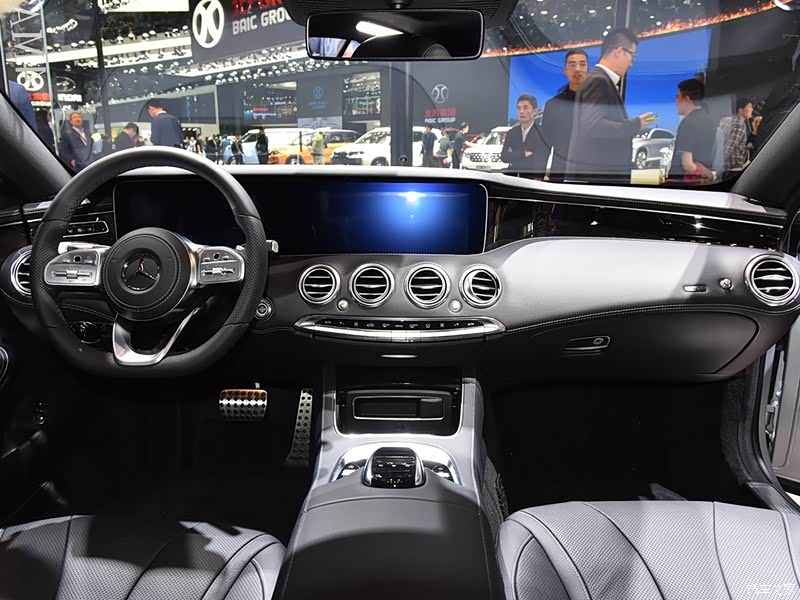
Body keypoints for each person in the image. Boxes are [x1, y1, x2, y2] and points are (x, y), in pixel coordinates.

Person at [566, 28, 653, 182]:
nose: (631, 63)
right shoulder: (599, 81)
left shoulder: (600, 80)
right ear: (619, 51)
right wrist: (635, 125)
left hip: (596, 179)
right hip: (596, 181)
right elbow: (594, 126)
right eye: (632, 55)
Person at [539, 49, 589, 181]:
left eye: (582, 64)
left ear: (588, 69)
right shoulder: (553, 104)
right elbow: (545, 145)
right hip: (560, 174)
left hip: (592, 177)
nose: (577, 69)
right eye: (572, 65)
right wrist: (538, 177)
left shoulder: (600, 103)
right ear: (565, 70)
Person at [669, 78, 716, 184]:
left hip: (682, 184)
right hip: (701, 185)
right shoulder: (709, 121)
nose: (675, 102)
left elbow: (687, 164)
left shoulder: (688, 123)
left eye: (677, 97)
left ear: (686, 99)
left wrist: (703, 173)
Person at [501, 94, 550, 173]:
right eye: (519, 108)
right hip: (512, 177)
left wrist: (513, 155)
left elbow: (540, 160)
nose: (521, 111)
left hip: (532, 178)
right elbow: (504, 157)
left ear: (535, 111)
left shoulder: (542, 133)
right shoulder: (511, 133)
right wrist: (523, 154)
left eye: (525, 108)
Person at [720, 97, 753, 180]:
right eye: (749, 107)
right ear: (741, 110)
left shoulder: (728, 120)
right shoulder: (740, 125)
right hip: (733, 167)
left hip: (726, 167)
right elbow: (729, 146)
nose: (752, 109)